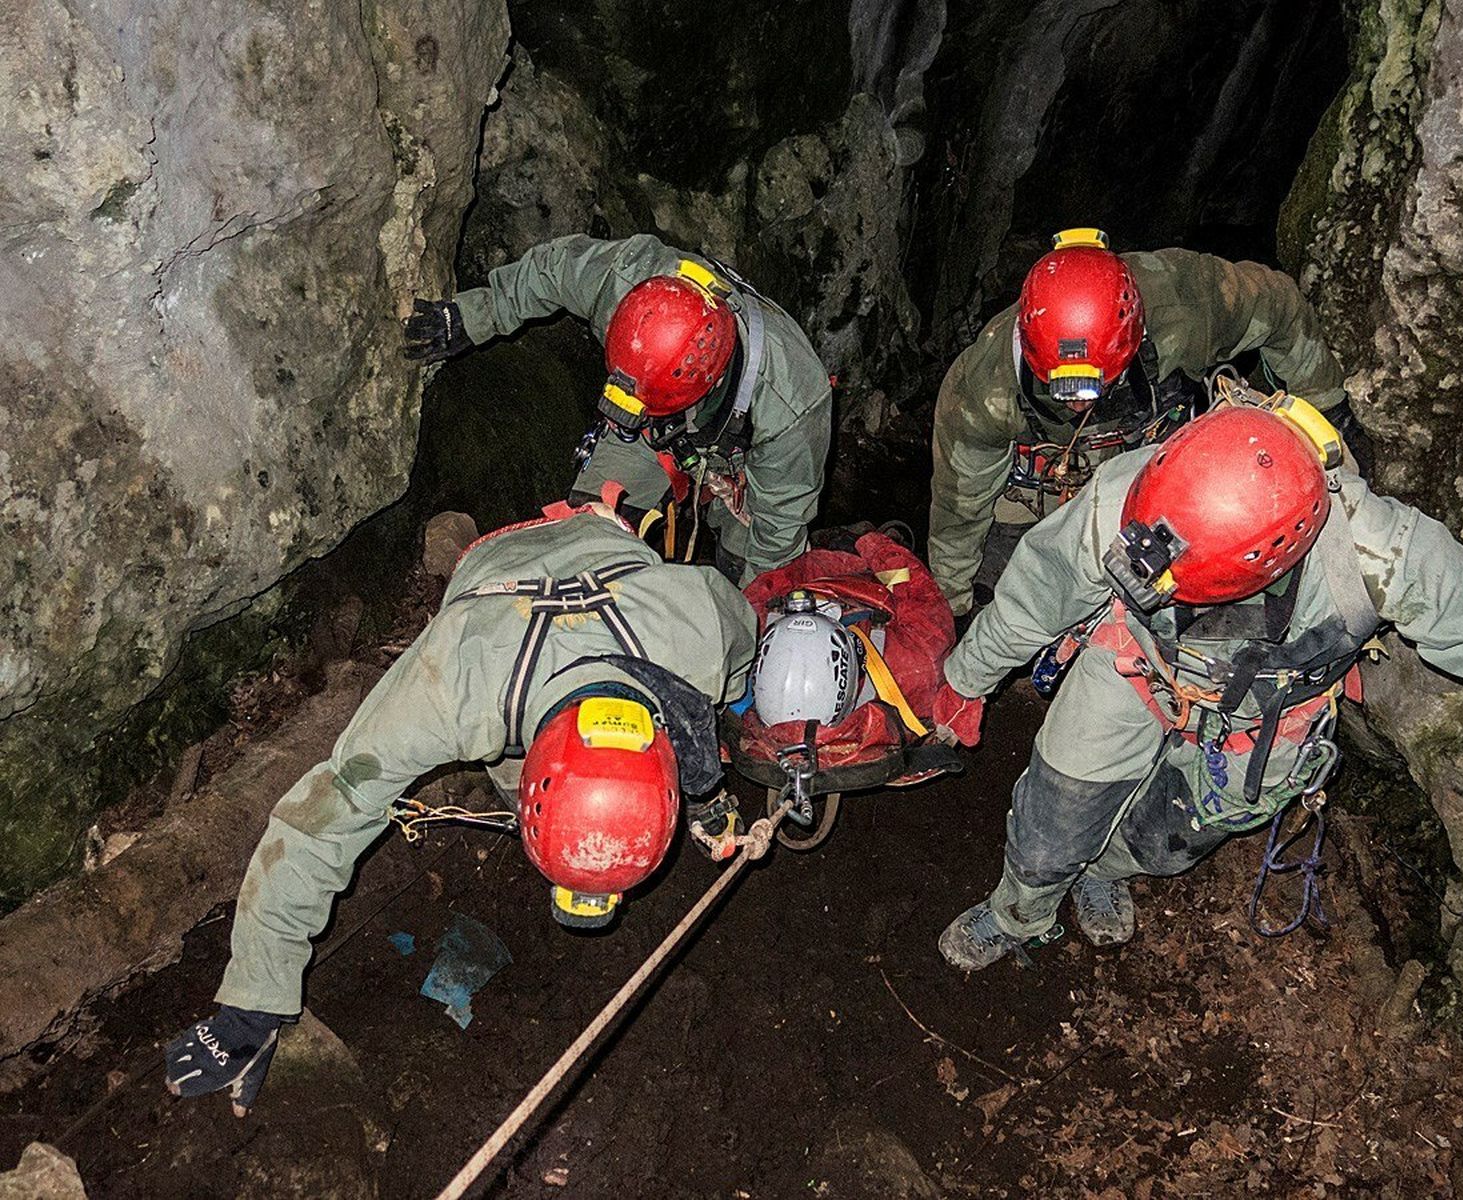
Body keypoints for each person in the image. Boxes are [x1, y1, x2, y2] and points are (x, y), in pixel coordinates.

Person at [929, 389, 1463, 963]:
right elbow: (1033, 598)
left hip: (1270, 713)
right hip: (1138, 662)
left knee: (1166, 844)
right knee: (1053, 818)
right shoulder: (1125, 497)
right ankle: (1019, 915)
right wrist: (966, 678)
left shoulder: (1383, 556)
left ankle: (1105, 870)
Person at [164, 487, 758, 1115]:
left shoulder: (699, 625)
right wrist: (252, 1006)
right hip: (492, 579)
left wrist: (728, 734)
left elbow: (746, 650)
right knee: (498, 762)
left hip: (610, 551)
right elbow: (322, 817)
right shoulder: (453, 682)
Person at [927, 228, 1352, 619]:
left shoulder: (1188, 305)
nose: (1079, 403)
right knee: (1013, 589)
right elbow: (960, 504)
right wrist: (952, 602)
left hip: (1172, 461)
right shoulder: (981, 392)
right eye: (1063, 388)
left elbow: (1278, 305)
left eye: (1094, 385)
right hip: (1050, 480)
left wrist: (1324, 411)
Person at [404, 234, 833, 585]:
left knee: (744, 566)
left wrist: (753, 615)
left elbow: (777, 534)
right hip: (647, 425)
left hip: (740, 461)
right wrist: (474, 315)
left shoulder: (790, 407)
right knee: (592, 534)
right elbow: (553, 269)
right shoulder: (626, 279)